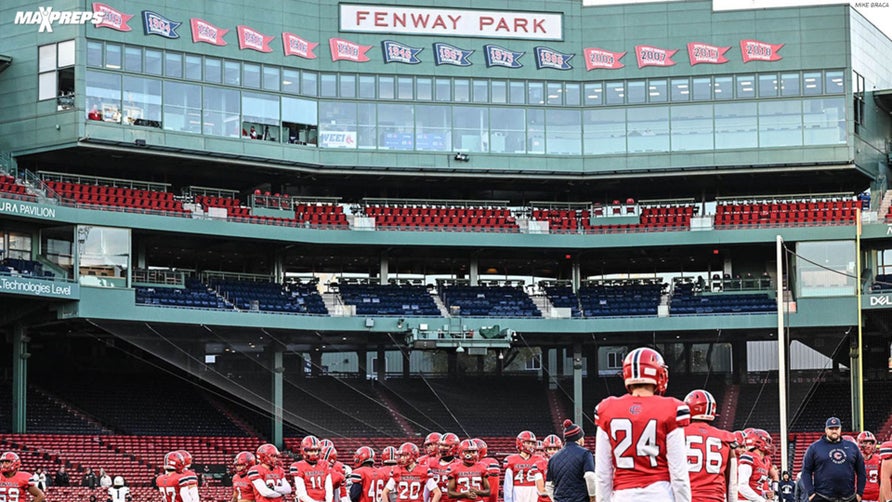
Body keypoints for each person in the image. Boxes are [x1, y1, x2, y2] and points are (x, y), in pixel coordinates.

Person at [594, 347, 691, 502]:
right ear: (658, 373)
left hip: (623, 496)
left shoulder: (607, 408)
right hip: (659, 494)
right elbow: (679, 474)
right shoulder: (671, 408)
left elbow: (602, 473)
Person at [682, 389, 737, 502]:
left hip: (687, 497)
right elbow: (732, 482)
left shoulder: (679, 433)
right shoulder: (726, 437)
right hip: (715, 498)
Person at [800, 417, 865, 502]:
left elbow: (861, 471)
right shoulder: (814, 448)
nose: (834, 431)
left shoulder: (852, 447)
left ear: (840, 429)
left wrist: (859, 493)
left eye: (836, 428)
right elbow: (806, 471)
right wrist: (811, 493)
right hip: (822, 497)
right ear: (826, 430)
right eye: (831, 428)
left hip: (848, 498)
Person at [544, 420, 596, 502]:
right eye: (582, 437)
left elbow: (548, 485)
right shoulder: (585, 453)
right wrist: (593, 497)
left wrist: (555, 500)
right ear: (579, 438)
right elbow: (590, 476)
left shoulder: (553, 458)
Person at [290, 436, 331, 502]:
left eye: (316, 450)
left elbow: (329, 488)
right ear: (304, 451)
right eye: (311, 451)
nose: (314, 453)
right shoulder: (298, 466)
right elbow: (301, 494)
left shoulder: (325, 464)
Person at [504, 431, 541, 502]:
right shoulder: (512, 460)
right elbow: (508, 485)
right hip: (517, 492)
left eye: (532, 443)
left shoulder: (539, 460)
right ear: (520, 443)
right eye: (528, 443)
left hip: (534, 491)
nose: (531, 446)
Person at [738, 428, 773, 502]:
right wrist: (762, 501)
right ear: (759, 442)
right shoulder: (749, 457)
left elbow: (754, 486)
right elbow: (742, 486)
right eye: (767, 441)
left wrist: (764, 494)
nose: (769, 445)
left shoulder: (763, 460)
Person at [857, 432, 880, 502]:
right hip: (859, 496)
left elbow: (883, 480)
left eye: (870, 443)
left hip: (876, 497)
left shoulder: (879, 459)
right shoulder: (855, 460)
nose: (868, 446)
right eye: (865, 443)